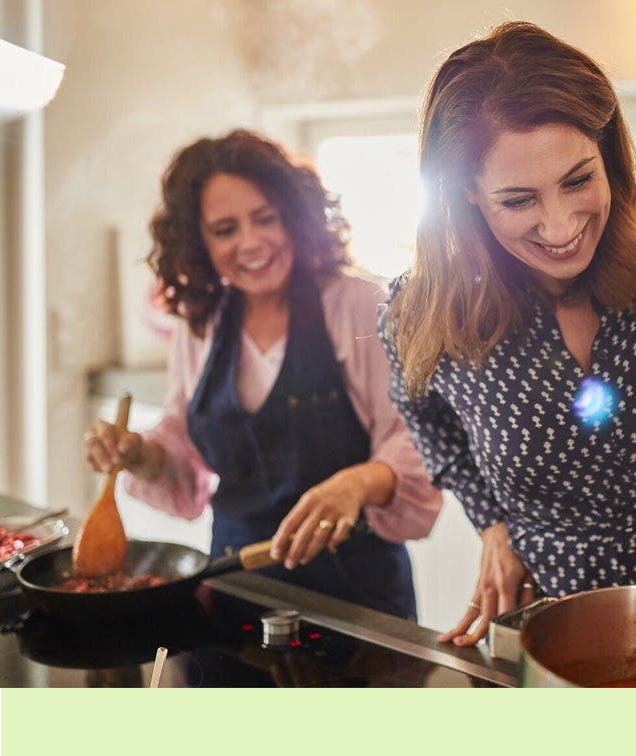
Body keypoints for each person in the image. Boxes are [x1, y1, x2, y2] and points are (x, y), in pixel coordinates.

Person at [381, 21, 636, 646]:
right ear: (466, 194)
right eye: (518, 200)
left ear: (608, 153)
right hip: (546, 623)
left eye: (579, 180)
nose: (560, 228)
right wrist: (493, 525)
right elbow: (423, 416)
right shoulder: (420, 313)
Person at [82, 130, 442, 620]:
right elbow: (186, 458)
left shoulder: (359, 306)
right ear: (199, 242)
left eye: (265, 218)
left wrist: (357, 484)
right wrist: (139, 455)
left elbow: (411, 439)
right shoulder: (200, 324)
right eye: (225, 229)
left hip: (359, 594)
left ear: (295, 217)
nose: (250, 243)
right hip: (234, 586)